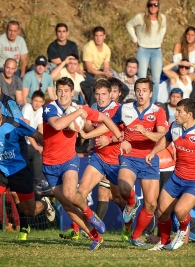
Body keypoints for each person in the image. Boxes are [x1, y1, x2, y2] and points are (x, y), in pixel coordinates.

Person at [41, 77, 131, 250]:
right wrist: (78, 114)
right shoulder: (50, 108)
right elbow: (58, 125)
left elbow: (106, 119)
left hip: (69, 160)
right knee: (68, 206)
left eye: (66, 91)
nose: (63, 94)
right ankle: (95, 237)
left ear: (72, 93)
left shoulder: (80, 108)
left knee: (71, 193)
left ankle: (92, 216)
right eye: (59, 91)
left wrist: (120, 138)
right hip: (49, 164)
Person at [80, 78, 168, 247]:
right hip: (128, 156)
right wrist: (87, 135)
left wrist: (145, 133)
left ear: (151, 93)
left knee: (151, 204)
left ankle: (135, 236)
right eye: (138, 90)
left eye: (144, 90)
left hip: (149, 158)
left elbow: (162, 136)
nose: (141, 93)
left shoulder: (158, 111)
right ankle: (132, 204)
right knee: (124, 188)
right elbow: (109, 125)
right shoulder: (126, 108)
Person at [0, 96, 53, 247]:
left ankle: (45, 204)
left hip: (20, 171)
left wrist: (50, 150)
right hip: (0, 170)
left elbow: (37, 135)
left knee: (29, 211)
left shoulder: (14, 123)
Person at [145, 98, 195, 250]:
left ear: (189, 114)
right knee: (161, 211)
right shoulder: (175, 127)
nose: (175, 114)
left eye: (179, 112)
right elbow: (166, 139)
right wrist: (153, 152)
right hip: (176, 178)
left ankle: (182, 232)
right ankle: (164, 242)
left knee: (180, 211)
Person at [126, 0, 166, 103]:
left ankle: (154, 102)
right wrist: (135, 39)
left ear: (158, 6)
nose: (153, 7)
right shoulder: (141, 17)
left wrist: (160, 40)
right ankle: (140, 100)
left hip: (157, 50)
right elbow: (129, 25)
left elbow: (163, 28)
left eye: (155, 5)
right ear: (147, 6)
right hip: (143, 49)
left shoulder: (162, 18)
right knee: (142, 78)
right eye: (150, 5)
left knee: (156, 79)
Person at [173, 26, 195, 103]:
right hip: (180, 73)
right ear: (185, 35)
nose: (190, 37)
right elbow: (175, 64)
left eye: (192, 35)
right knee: (193, 83)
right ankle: (188, 104)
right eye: (188, 34)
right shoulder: (178, 45)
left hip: (191, 74)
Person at [22, 91, 46, 184]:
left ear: (43, 102)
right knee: (37, 153)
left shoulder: (40, 110)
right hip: (21, 142)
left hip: (29, 142)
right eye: (35, 101)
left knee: (44, 151)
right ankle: (39, 181)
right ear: (31, 100)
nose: (37, 103)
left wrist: (44, 144)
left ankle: (45, 181)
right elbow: (26, 130)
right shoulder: (27, 107)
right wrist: (37, 146)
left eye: (40, 101)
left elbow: (41, 129)